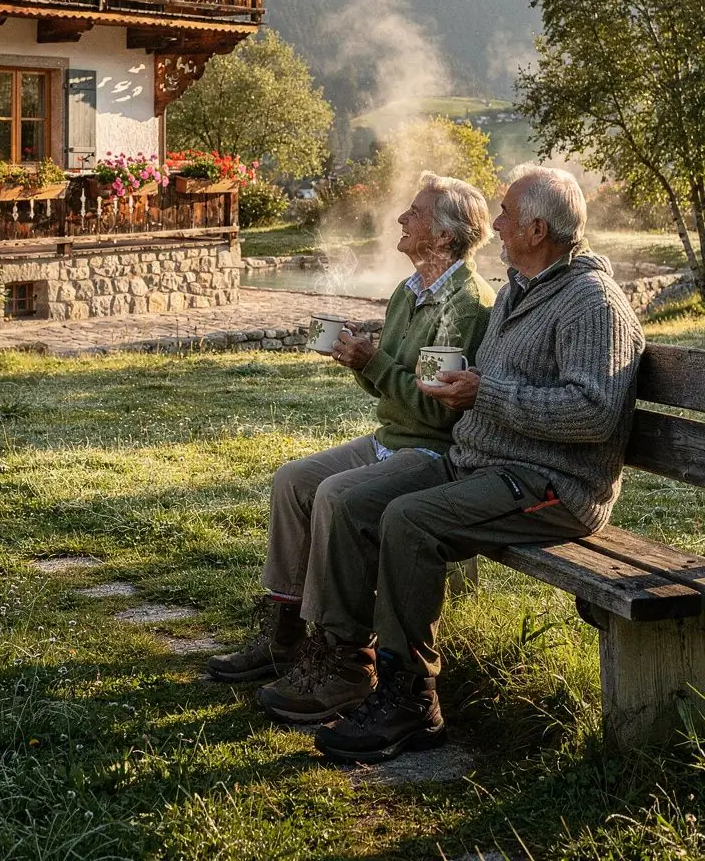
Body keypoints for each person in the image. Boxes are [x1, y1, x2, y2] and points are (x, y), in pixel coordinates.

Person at [307, 164, 645, 763]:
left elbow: (593, 414)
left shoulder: (593, 303)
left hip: (552, 485)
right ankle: (344, 665)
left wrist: (483, 394)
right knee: (354, 499)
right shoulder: (522, 289)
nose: (495, 222)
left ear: (537, 228)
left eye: (508, 213)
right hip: (484, 463)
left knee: (410, 521)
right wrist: (456, 393)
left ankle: (412, 700)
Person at [207, 174, 496, 720]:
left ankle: (345, 662)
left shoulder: (465, 305)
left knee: (338, 496)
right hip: (392, 438)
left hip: (432, 452)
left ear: (443, 235)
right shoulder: (411, 294)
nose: (401, 220)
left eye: (414, 213)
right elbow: (393, 382)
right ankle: (284, 636)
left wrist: (373, 364)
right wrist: (360, 361)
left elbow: (438, 410)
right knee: (294, 481)